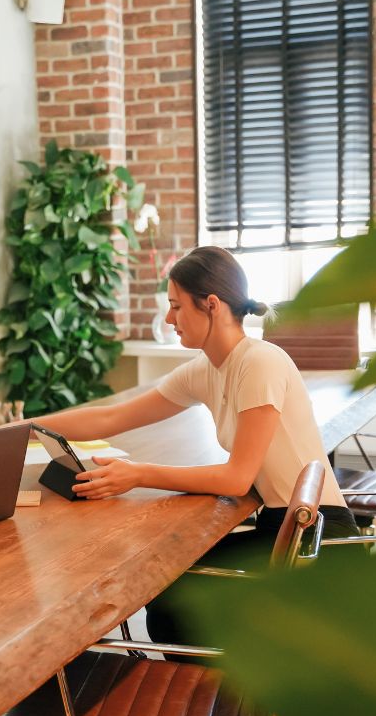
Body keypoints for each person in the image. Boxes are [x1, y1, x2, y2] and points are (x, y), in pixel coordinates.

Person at [32, 245, 357, 650]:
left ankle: (219, 702)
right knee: (166, 578)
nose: (170, 319)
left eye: (176, 306)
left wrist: (138, 474)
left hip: (319, 540)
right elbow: (111, 418)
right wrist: (25, 428)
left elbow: (237, 479)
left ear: (212, 306)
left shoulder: (260, 363)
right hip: (281, 529)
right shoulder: (207, 369)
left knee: (171, 593)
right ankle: (217, 698)